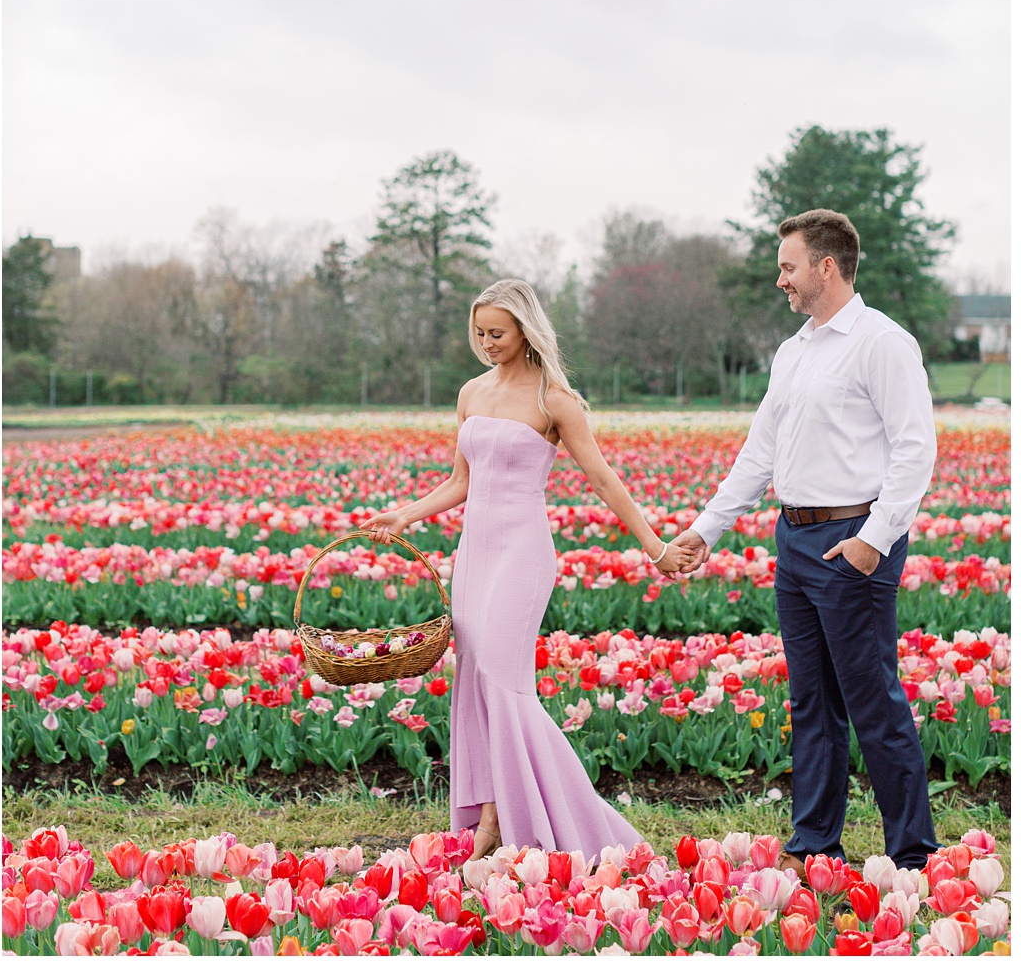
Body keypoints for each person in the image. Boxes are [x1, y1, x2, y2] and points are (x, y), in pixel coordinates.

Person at [660, 209, 940, 878]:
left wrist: (874, 540)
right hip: (795, 538)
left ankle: (913, 854)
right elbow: (760, 452)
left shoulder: (881, 342)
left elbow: (915, 449)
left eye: (788, 267)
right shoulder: (794, 350)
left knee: (872, 699)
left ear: (826, 266)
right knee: (811, 701)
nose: (780, 279)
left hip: (852, 539)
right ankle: (816, 843)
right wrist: (707, 526)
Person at [365, 279, 677, 861]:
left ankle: (504, 822)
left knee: (503, 679)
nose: (487, 343)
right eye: (480, 332)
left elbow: (602, 478)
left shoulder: (554, 400)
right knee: (474, 678)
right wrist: (405, 514)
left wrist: (654, 545)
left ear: (526, 332)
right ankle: (491, 811)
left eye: (498, 333)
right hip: (474, 555)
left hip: (522, 553)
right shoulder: (471, 392)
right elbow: (460, 481)